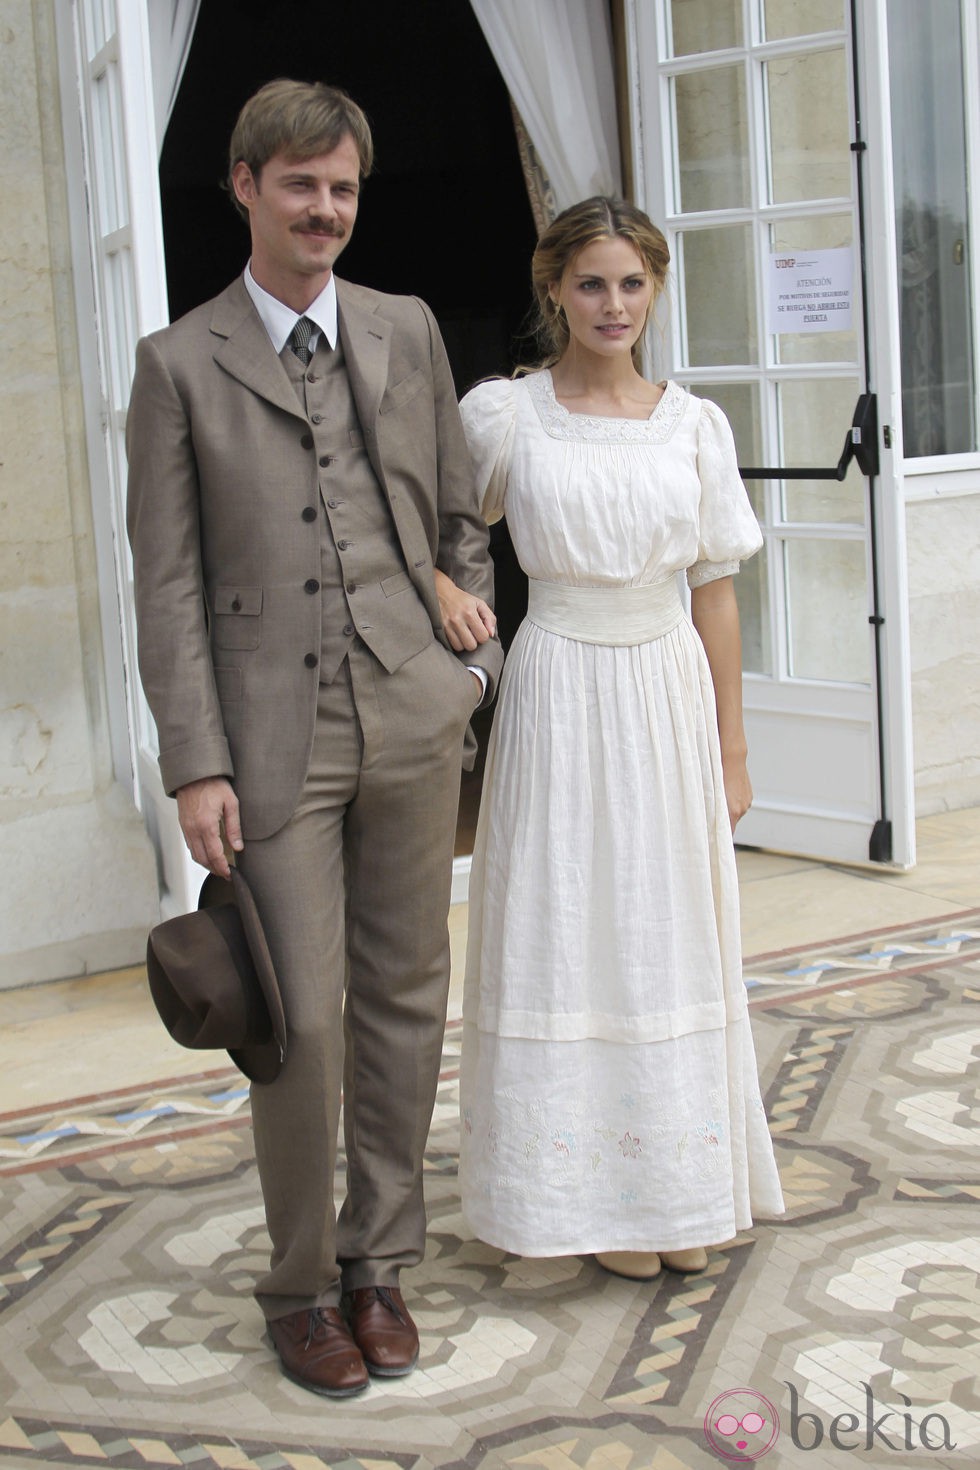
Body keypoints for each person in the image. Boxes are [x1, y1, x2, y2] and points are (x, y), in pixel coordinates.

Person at [126, 78, 502, 1397]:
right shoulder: (178, 365)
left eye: (342, 188)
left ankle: (377, 1259)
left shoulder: (405, 328)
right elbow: (165, 584)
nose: (325, 210)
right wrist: (195, 759)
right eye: (301, 186)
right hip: (271, 736)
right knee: (295, 1021)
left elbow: (464, 512)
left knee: (407, 996)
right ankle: (297, 1283)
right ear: (245, 186)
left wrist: (472, 651)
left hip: (412, 705)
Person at [437, 196, 783, 1280]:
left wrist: (730, 748)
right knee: (565, 923)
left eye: (632, 283)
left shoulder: (694, 424)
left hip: (663, 690)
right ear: (553, 288)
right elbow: (419, 522)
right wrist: (442, 592)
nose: (612, 304)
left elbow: (714, 592)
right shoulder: (505, 417)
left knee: (661, 928)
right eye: (591, 282)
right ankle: (583, 1201)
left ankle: (673, 1193)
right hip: (554, 690)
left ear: (655, 291)